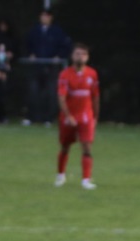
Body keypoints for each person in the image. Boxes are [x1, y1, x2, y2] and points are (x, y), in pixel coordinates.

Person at [55, 44, 100, 190]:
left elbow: (95, 97)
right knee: (65, 146)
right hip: (69, 117)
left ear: (87, 57)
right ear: (72, 56)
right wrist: (68, 115)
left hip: (86, 116)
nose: (80, 56)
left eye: (83, 54)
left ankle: (86, 180)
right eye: (77, 53)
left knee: (86, 146)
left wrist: (95, 116)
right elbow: (61, 97)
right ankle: (61, 175)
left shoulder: (92, 74)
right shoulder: (65, 74)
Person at [24, 9, 70, 126]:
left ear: (51, 18)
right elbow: (27, 45)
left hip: (51, 67)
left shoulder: (57, 31)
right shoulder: (34, 31)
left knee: (51, 92)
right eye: (42, 16)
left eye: (47, 16)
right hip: (37, 66)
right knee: (33, 91)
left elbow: (65, 46)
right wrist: (31, 54)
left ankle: (48, 118)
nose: (44, 18)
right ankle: (32, 117)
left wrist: (58, 56)